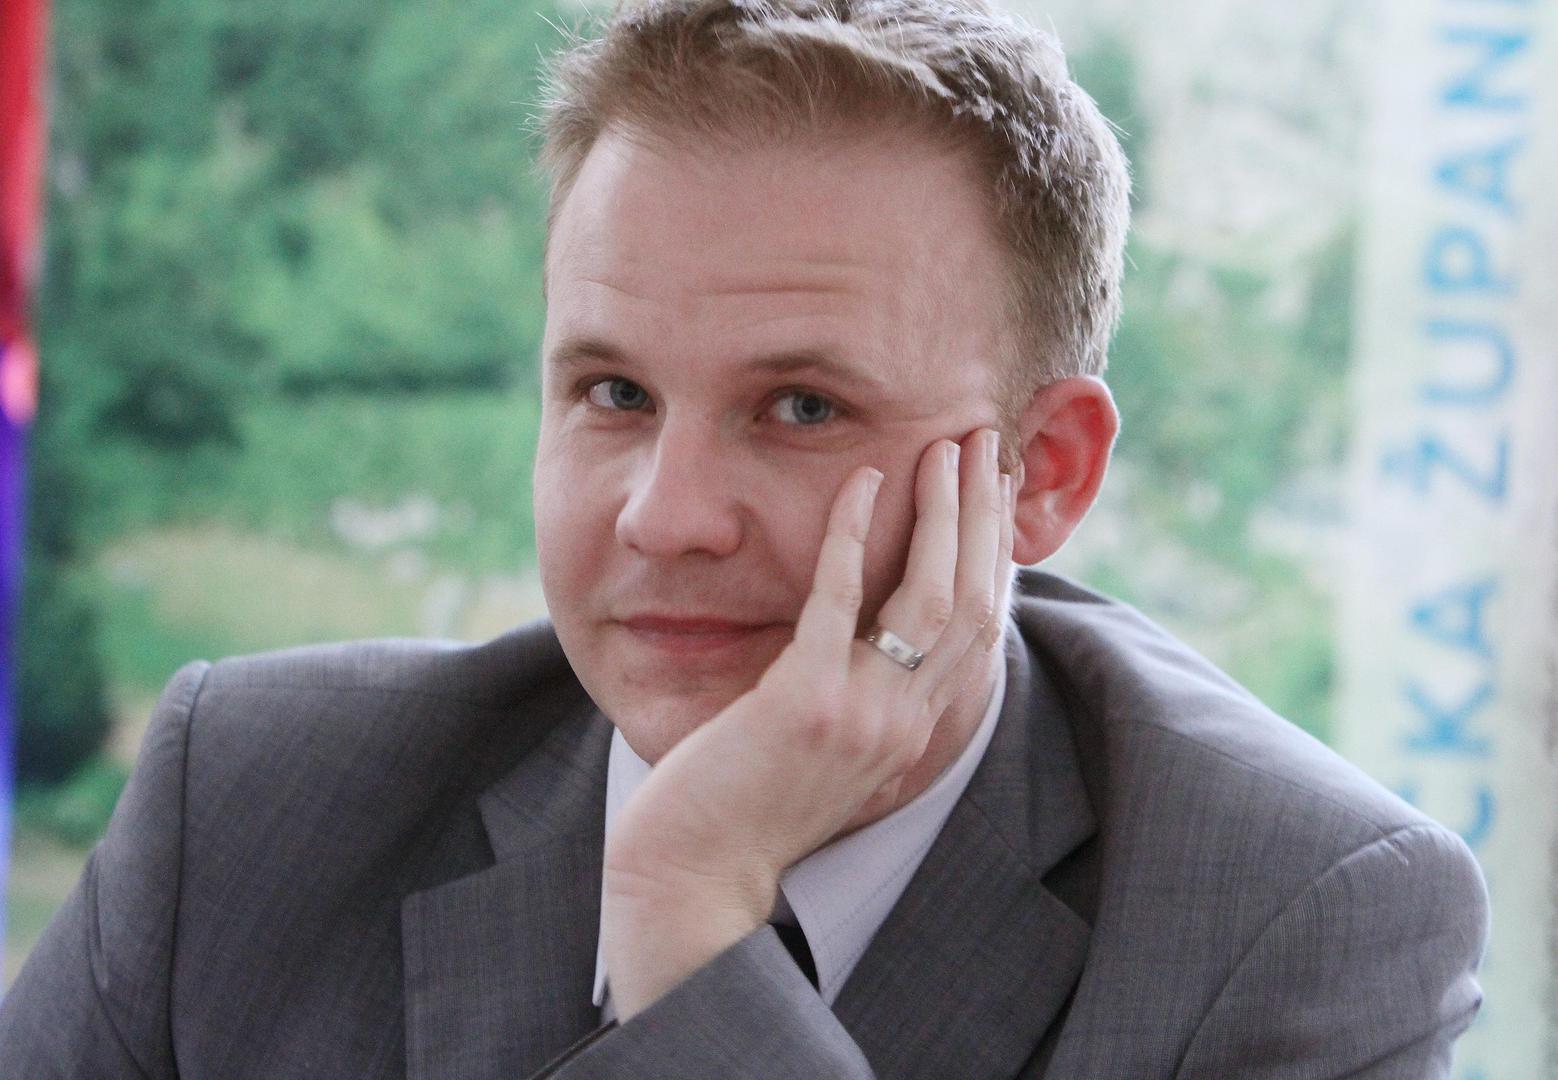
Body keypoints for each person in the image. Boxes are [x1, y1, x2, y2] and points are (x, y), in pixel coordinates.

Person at [1, 0, 1489, 1076]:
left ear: (1040, 474)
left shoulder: (1295, 921)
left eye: (800, 407)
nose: (666, 516)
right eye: (613, 393)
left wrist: (691, 925)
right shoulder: (247, 799)